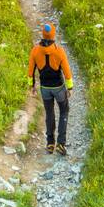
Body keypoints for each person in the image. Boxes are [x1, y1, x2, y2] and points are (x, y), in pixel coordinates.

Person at [28, 20, 73, 155]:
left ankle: (50, 143)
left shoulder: (35, 51)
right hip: (59, 87)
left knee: (49, 113)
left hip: (45, 88)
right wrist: (69, 88)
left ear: (43, 35)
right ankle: (61, 143)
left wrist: (32, 86)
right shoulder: (59, 51)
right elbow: (67, 71)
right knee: (64, 111)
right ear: (53, 36)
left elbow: (30, 71)